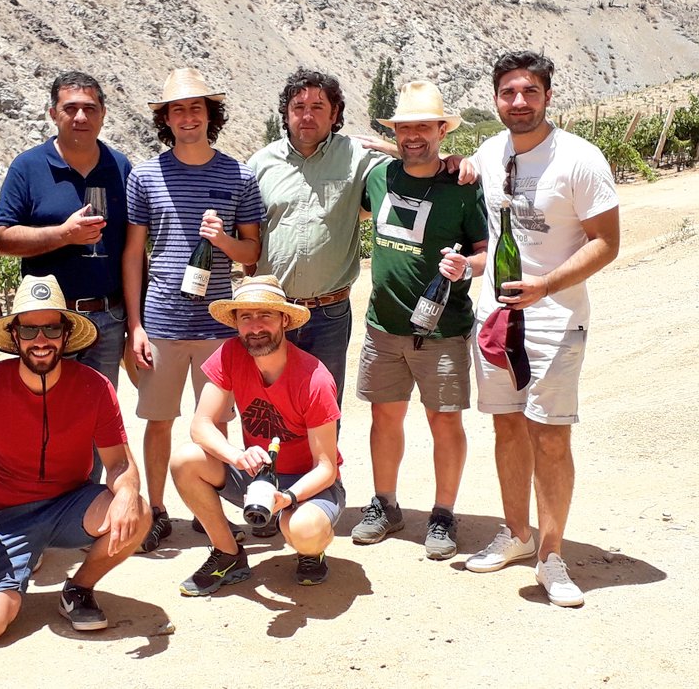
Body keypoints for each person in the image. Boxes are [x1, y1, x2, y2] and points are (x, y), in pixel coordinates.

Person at [460, 51, 619, 607]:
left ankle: (551, 557)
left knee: (549, 435)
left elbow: (607, 242)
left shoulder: (580, 159)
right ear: (496, 98)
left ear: (547, 96)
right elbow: (465, 169)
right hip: (496, 317)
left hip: (554, 316)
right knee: (506, 428)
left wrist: (545, 286)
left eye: (529, 91)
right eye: (508, 92)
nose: (519, 102)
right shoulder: (492, 150)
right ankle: (517, 535)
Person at [0, 275, 150, 641]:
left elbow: (119, 463)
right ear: (14, 335)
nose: (41, 340)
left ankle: (78, 589)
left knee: (138, 512)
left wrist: (128, 493)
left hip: (71, 505)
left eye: (51, 328)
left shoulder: (95, 387)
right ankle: (11, 577)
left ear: (66, 334)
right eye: (29, 329)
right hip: (3, 517)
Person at [122, 68, 265, 554]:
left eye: (196, 108)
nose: (187, 117)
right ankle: (158, 510)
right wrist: (135, 325)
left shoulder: (238, 175)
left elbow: (250, 254)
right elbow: (133, 253)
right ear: (166, 119)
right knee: (158, 421)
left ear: (211, 115)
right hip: (160, 322)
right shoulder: (143, 175)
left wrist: (221, 239)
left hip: (218, 326)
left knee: (216, 425)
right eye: (177, 109)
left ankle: (210, 506)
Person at [348, 81, 488, 560]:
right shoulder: (380, 177)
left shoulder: (465, 186)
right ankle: (384, 504)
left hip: (443, 329)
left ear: (441, 131)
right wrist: (395, 148)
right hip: (383, 326)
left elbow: (484, 252)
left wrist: (466, 267)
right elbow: (385, 172)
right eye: (404, 128)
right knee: (384, 417)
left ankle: (443, 513)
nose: (413, 135)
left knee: (444, 421)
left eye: (422, 127)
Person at [0, 72, 131, 482]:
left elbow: (132, 249)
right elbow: (1, 237)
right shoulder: (29, 167)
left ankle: (85, 500)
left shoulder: (120, 167)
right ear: (53, 113)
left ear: (103, 115)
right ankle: (45, 498)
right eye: (70, 108)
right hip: (47, 321)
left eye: (90, 107)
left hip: (107, 317)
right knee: (44, 412)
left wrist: (135, 321)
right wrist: (63, 235)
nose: (80, 116)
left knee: (98, 415)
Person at [170, 275, 345, 594]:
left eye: (265, 315)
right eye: (246, 317)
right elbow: (201, 425)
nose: (255, 326)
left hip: (308, 483)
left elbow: (326, 467)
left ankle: (311, 549)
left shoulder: (314, 379)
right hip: (259, 478)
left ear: (284, 319)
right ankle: (228, 554)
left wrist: (288, 499)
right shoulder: (230, 354)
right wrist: (236, 455)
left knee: (304, 530)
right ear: (236, 323)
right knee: (186, 460)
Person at [247, 69, 390, 413]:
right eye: (298, 106)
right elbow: (247, 233)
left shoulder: (358, 156)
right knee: (268, 408)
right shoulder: (260, 164)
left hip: (328, 314)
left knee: (323, 409)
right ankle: (270, 469)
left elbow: (418, 159)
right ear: (286, 113)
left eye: (318, 106)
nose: (307, 115)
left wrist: (389, 145)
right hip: (272, 311)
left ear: (335, 113)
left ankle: (327, 469)